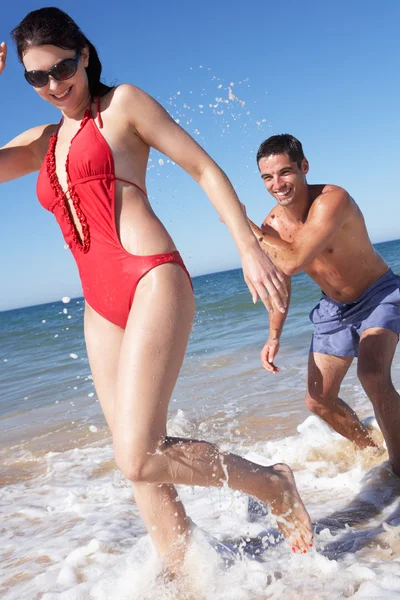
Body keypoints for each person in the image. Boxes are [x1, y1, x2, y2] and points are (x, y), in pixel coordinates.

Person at [0, 9, 313, 569]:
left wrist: (245, 246)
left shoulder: (121, 105)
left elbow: (203, 168)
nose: (53, 85)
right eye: (36, 77)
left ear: (85, 54)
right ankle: (185, 570)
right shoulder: (45, 139)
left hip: (150, 276)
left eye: (62, 67)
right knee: (135, 462)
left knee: (138, 456)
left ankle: (274, 485)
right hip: (100, 306)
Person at [246, 133, 400, 476]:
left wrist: (243, 227)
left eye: (285, 172)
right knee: (318, 400)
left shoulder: (333, 200)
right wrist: (273, 336)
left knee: (373, 375)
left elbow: (294, 260)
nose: (277, 184)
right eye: (268, 177)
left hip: (378, 294)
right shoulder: (272, 225)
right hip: (334, 310)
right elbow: (279, 285)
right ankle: (374, 452)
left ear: (304, 167)